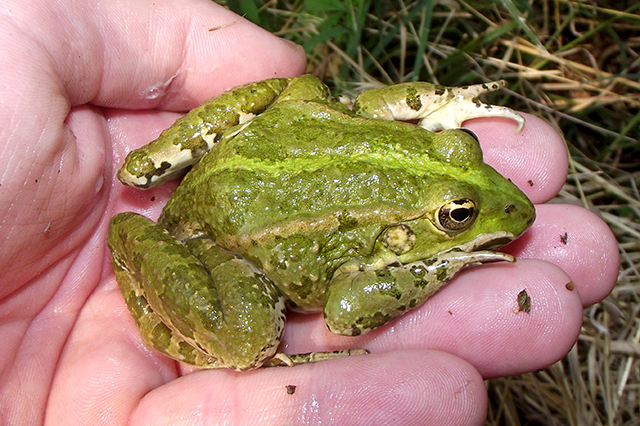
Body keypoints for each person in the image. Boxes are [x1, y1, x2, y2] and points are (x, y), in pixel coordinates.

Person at [0, 1, 619, 425]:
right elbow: (348, 312)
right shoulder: (394, 240)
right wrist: (442, 267)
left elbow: (369, 108)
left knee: (308, 93)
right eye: (458, 214)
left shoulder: (402, 145)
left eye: (461, 151)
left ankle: (153, 168)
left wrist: (440, 107)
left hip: (247, 160)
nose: (488, 198)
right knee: (251, 341)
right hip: (219, 236)